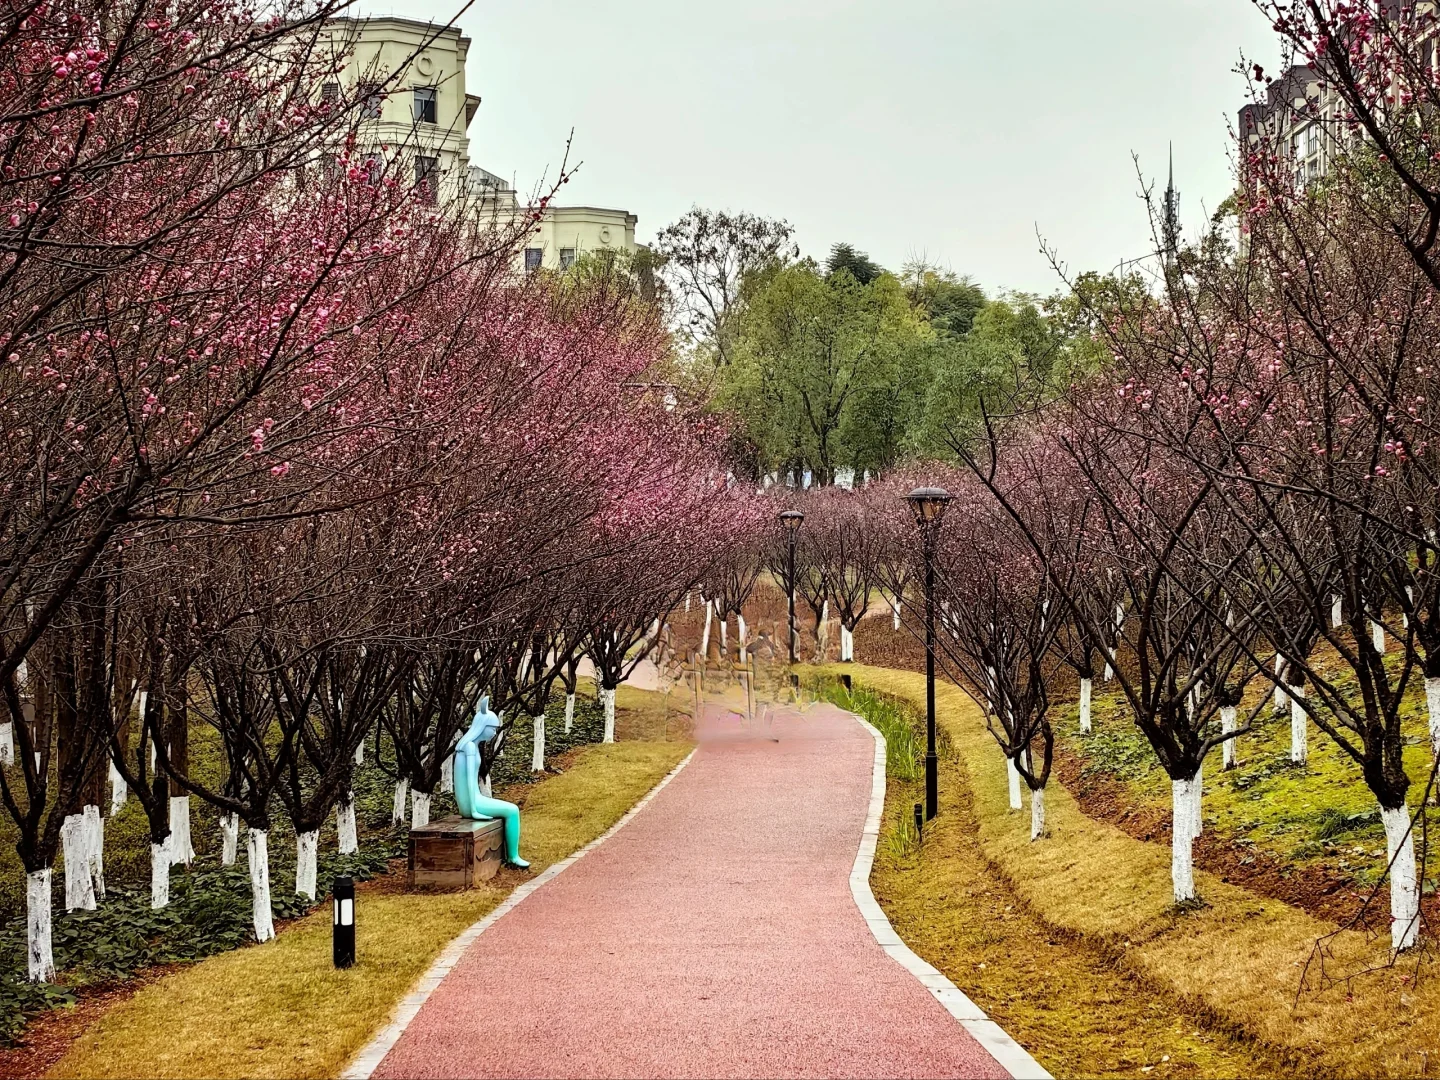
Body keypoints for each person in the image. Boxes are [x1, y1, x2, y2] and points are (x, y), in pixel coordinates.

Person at [454, 696, 528, 868]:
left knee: (510, 809)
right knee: (512, 810)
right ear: (482, 726)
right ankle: (513, 857)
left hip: (470, 800)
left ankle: (512, 856)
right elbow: (468, 783)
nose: (494, 733)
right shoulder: (470, 748)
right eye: (492, 729)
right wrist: (473, 810)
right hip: (471, 802)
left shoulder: (465, 745)